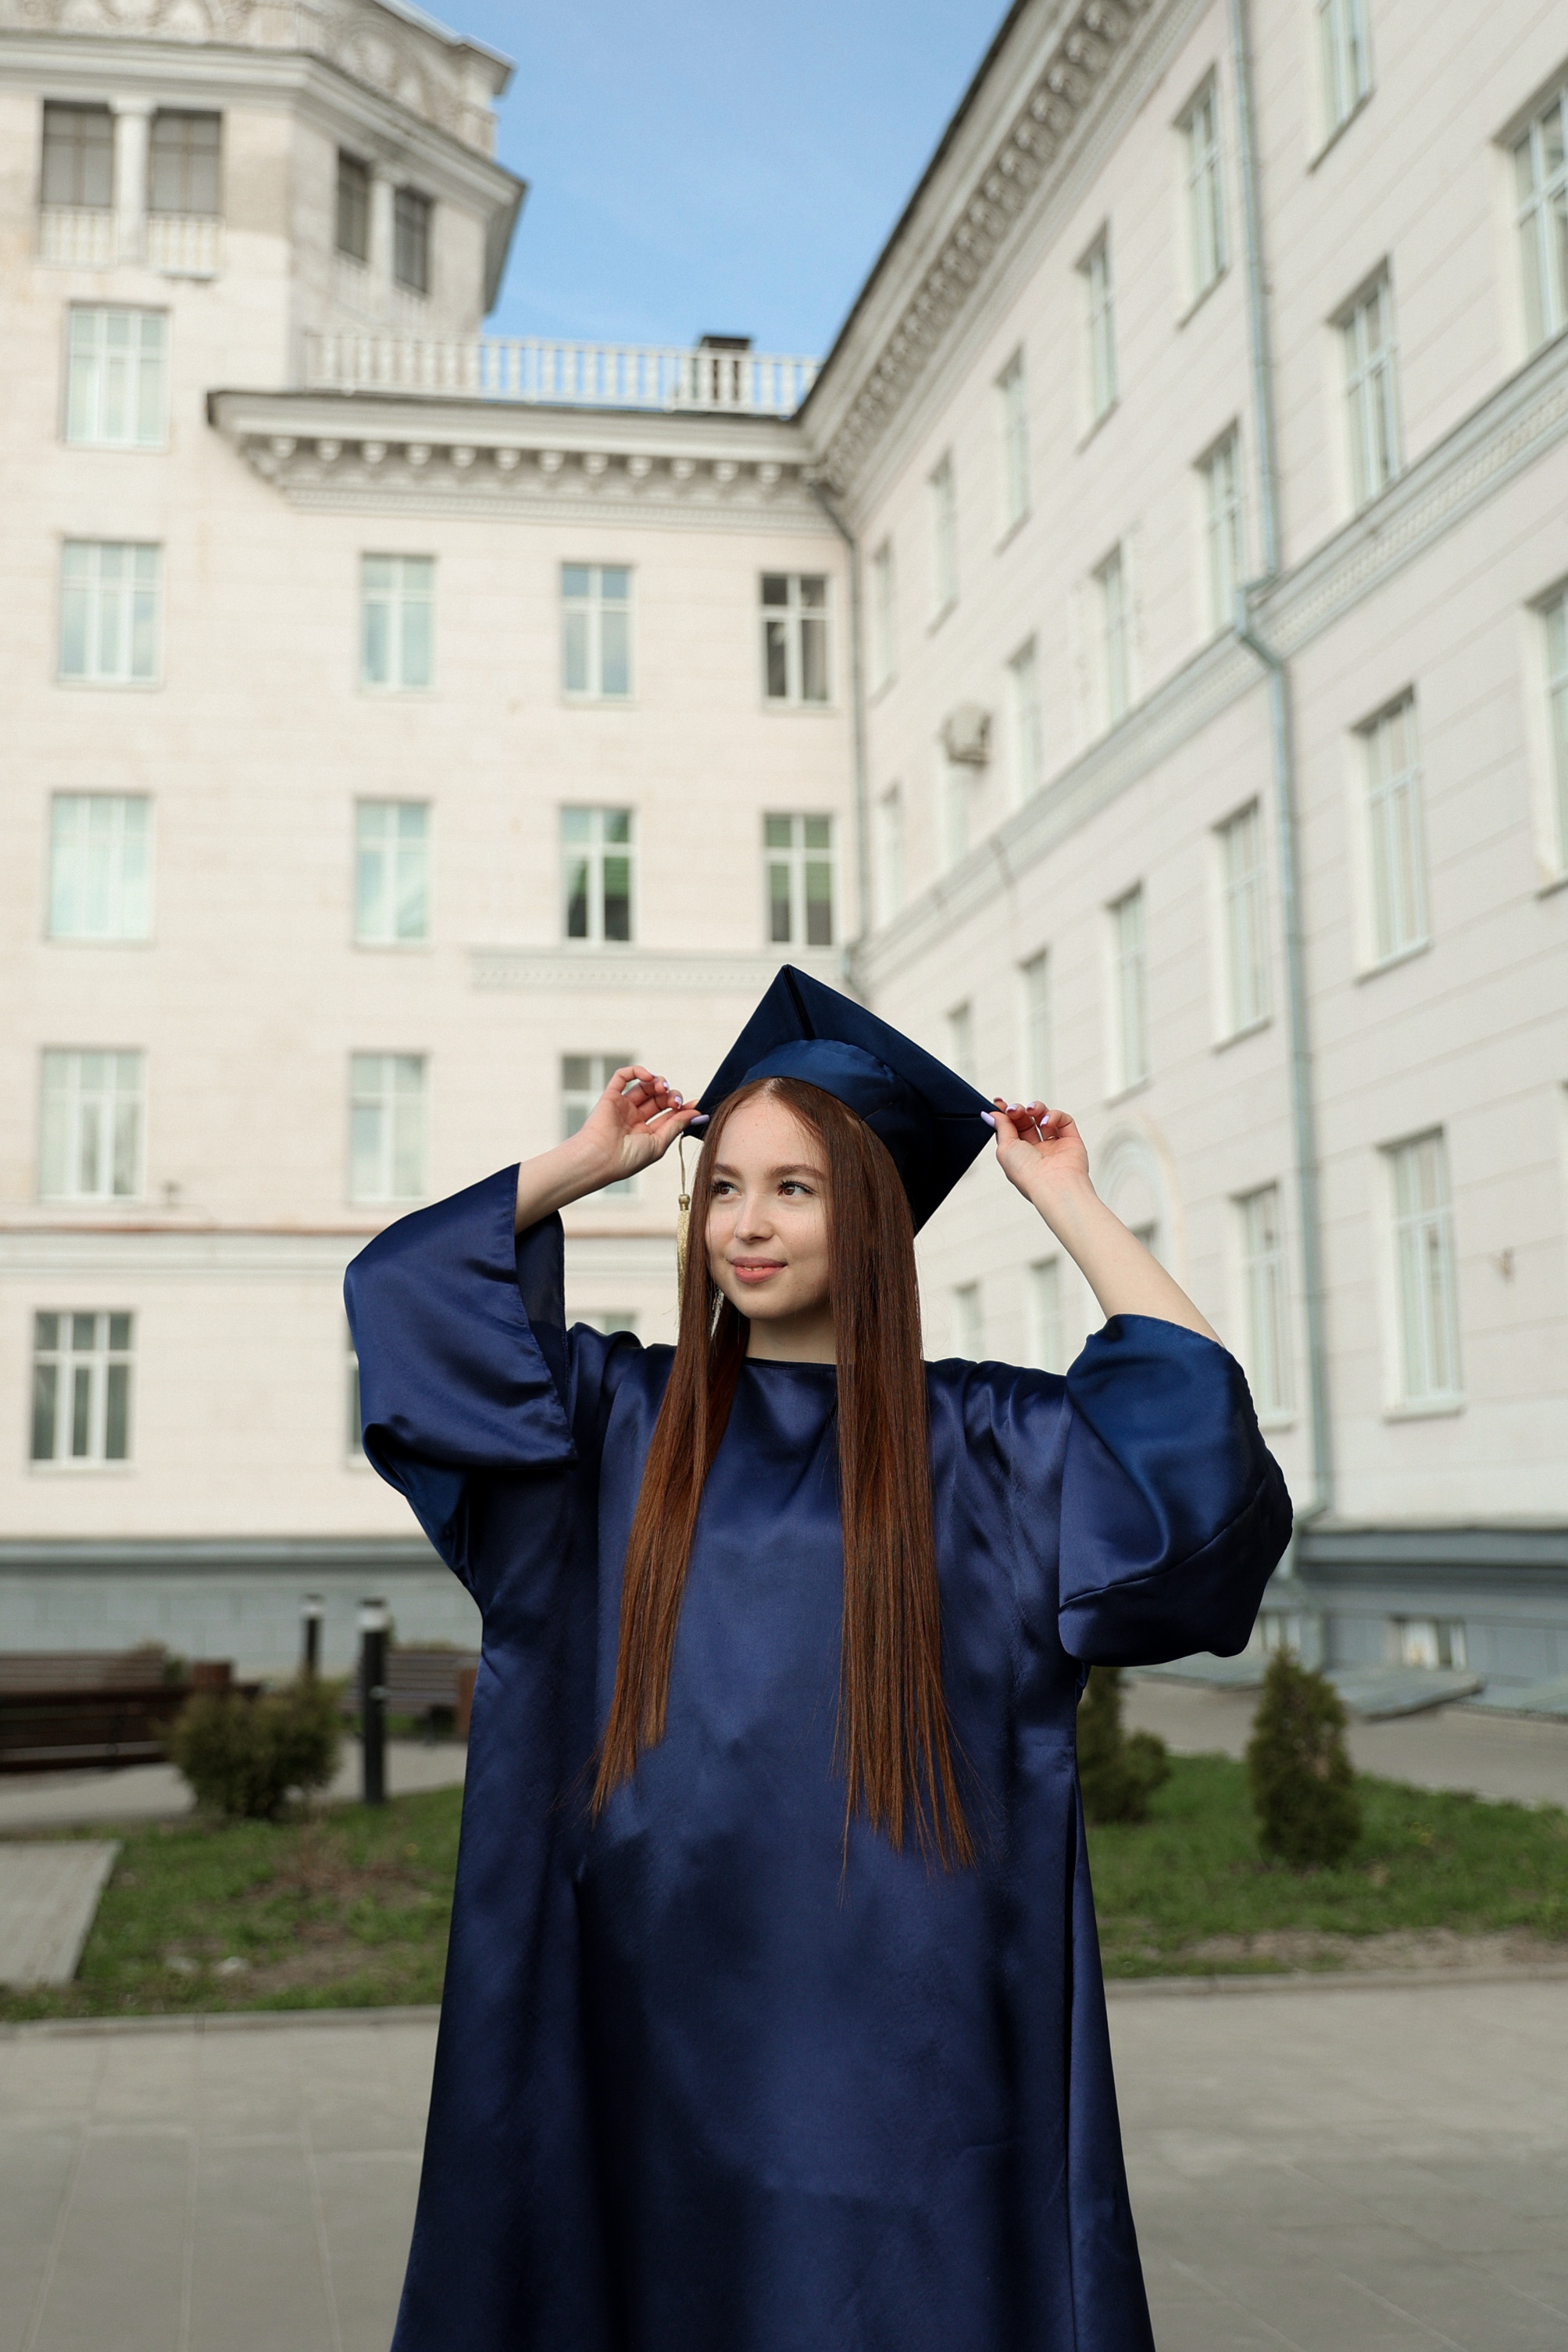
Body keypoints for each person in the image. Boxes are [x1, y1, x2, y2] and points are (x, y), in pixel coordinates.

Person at [346, 966, 1291, 2352]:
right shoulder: (622, 1420)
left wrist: (1067, 1196)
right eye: (723, 1184)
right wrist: (592, 1158)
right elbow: (409, 1296)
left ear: (878, 1214)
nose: (747, 1222)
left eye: (796, 1187)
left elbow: (1199, 1466)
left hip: (908, 2022)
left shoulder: (984, 1445)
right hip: (645, 2006)